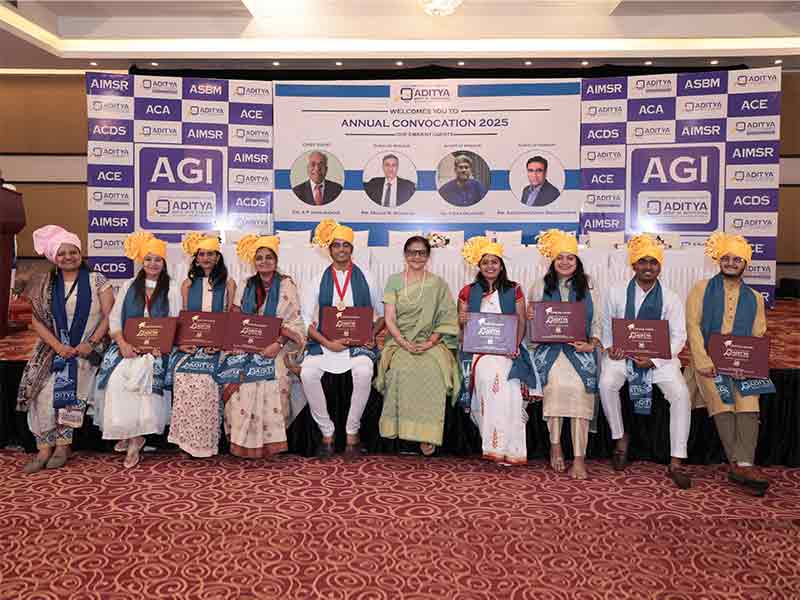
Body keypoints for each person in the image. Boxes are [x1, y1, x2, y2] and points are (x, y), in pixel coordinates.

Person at [16, 225, 113, 473]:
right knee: (43, 393)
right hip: (54, 349)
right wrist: (58, 346)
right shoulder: (45, 282)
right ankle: (44, 447)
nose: (68, 257)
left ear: (80, 253)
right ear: (54, 258)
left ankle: (63, 445)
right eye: (62, 253)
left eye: (73, 252)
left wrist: (90, 343)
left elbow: (109, 316)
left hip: (87, 350)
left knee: (73, 390)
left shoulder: (97, 280)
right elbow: (36, 320)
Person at [599, 234, 692, 489]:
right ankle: (620, 438)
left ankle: (676, 460)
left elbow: (679, 336)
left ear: (660, 266)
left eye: (653, 262)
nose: (648, 267)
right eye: (642, 261)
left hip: (659, 360)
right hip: (623, 358)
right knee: (606, 384)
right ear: (633, 265)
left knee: (681, 395)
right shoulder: (615, 292)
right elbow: (606, 326)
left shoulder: (671, 297)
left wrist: (654, 360)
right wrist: (610, 347)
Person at [685, 232, 775, 495]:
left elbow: (757, 335)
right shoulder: (701, 288)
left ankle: (743, 464)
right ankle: (740, 464)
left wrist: (748, 365)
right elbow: (692, 326)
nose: (731, 263)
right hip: (708, 362)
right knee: (722, 399)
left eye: (737, 259)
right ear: (719, 260)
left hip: (741, 364)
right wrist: (703, 361)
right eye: (726, 258)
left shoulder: (755, 298)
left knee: (749, 402)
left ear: (745, 263)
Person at [94, 232, 181, 468]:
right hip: (127, 345)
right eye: (148, 259)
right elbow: (114, 319)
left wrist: (161, 345)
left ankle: (134, 440)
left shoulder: (172, 288)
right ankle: (129, 432)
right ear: (141, 262)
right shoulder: (129, 285)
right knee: (117, 378)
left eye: (158, 259)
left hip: (156, 349)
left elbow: (175, 321)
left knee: (143, 376)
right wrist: (122, 343)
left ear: (164, 262)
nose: (153, 264)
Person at [301, 219, 384, 458]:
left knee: (364, 371)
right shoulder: (317, 278)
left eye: (345, 245)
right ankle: (326, 431)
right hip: (326, 344)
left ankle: (352, 431)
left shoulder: (367, 277)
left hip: (358, 346)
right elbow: (305, 319)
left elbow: (382, 314)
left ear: (351, 249)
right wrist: (327, 343)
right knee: (307, 373)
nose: (341, 249)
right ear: (329, 249)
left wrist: (370, 334)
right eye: (336, 245)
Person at [220, 234, 306, 458]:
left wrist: (277, 343)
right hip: (246, 345)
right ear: (254, 261)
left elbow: (294, 321)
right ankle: (241, 441)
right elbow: (236, 316)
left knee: (275, 377)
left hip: (278, 345)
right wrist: (241, 344)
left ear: (276, 260)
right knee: (236, 377)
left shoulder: (286, 284)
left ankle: (272, 442)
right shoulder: (246, 284)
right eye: (259, 258)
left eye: (269, 257)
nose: (264, 261)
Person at [457, 236, 540, 465]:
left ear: (501, 265)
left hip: (509, 349)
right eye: (485, 262)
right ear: (479, 266)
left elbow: (521, 322)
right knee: (492, 379)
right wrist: (462, 321)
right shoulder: (467, 291)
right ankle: (494, 445)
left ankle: (513, 449)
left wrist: (513, 346)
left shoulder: (514, 290)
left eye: (494, 262)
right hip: (479, 351)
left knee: (510, 386)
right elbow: (463, 333)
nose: (490, 266)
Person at [375, 236, 460, 455]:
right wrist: (404, 342)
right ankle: (400, 430)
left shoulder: (438, 284)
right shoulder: (394, 280)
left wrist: (430, 342)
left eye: (421, 252)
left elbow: (447, 318)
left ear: (428, 256)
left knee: (434, 371)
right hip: (399, 341)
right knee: (400, 370)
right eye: (412, 252)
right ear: (405, 255)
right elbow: (389, 319)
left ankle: (427, 434)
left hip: (431, 342)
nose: (417, 256)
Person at [528, 229, 600, 479]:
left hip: (580, 349)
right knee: (556, 385)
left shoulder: (589, 284)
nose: (565, 262)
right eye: (560, 257)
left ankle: (579, 457)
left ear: (577, 261)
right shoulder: (540, 285)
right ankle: (555, 444)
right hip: (549, 350)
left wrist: (592, 344)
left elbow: (598, 320)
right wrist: (531, 316)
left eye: (570, 257)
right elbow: (532, 323)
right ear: (552, 261)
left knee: (580, 389)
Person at [168, 233, 236, 457]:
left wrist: (219, 343)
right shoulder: (187, 284)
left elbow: (230, 318)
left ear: (218, 257)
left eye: (210, 254)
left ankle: (206, 442)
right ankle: (185, 441)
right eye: (202, 254)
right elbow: (184, 319)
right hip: (193, 345)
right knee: (183, 375)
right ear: (196, 259)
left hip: (219, 345)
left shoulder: (229, 283)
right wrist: (184, 344)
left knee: (206, 380)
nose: (206, 258)